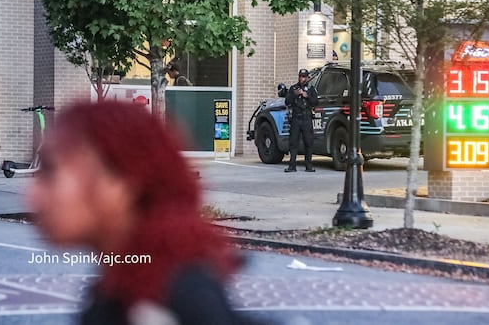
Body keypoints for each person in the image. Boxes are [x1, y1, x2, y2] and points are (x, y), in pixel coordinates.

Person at [26, 101, 260, 325]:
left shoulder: (174, 301)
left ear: (122, 181)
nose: (30, 195)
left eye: (50, 170)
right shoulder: (118, 292)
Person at [284, 68, 319, 173]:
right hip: (296, 118)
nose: (301, 78)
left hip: (306, 117)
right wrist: (294, 94)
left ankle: (309, 165)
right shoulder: (293, 88)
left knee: (308, 142)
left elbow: (315, 102)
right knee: (293, 142)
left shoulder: (311, 89)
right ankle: (292, 166)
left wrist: (306, 96)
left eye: (303, 76)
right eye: (300, 76)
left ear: (307, 78)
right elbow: (287, 101)